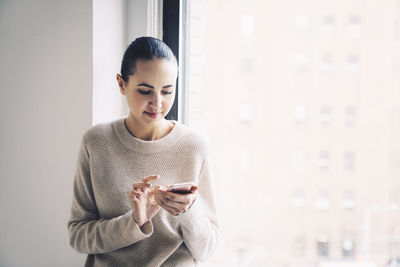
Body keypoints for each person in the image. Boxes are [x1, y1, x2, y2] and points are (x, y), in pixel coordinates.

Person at [68, 37, 218, 266]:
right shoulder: (96, 142)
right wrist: (135, 221)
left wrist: (188, 210)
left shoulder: (195, 147)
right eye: (146, 91)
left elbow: (207, 249)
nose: (157, 103)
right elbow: (79, 237)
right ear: (121, 84)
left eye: (167, 91)